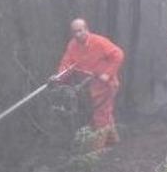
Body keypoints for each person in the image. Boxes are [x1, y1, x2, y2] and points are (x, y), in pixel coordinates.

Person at [52, 19, 125, 150]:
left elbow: (118, 54)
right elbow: (66, 65)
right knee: (105, 113)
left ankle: (98, 150)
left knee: (100, 114)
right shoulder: (72, 45)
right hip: (92, 85)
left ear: (86, 29)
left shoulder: (99, 42)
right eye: (75, 32)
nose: (78, 34)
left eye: (80, 31)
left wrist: (107, 74)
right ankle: (114, 142)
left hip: (107, 84)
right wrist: (57, 78)